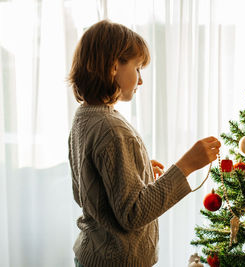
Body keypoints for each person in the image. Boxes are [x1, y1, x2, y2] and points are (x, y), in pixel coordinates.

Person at [67, 19, 221, 267]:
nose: (140, 80)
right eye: (137, 68)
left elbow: (87, 187)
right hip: (117, 261)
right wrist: (187, 165)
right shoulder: (112, 129)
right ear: (113, 66)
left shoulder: (85, 117)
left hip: (90, 254)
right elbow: (132, 214)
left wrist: (135, 168)